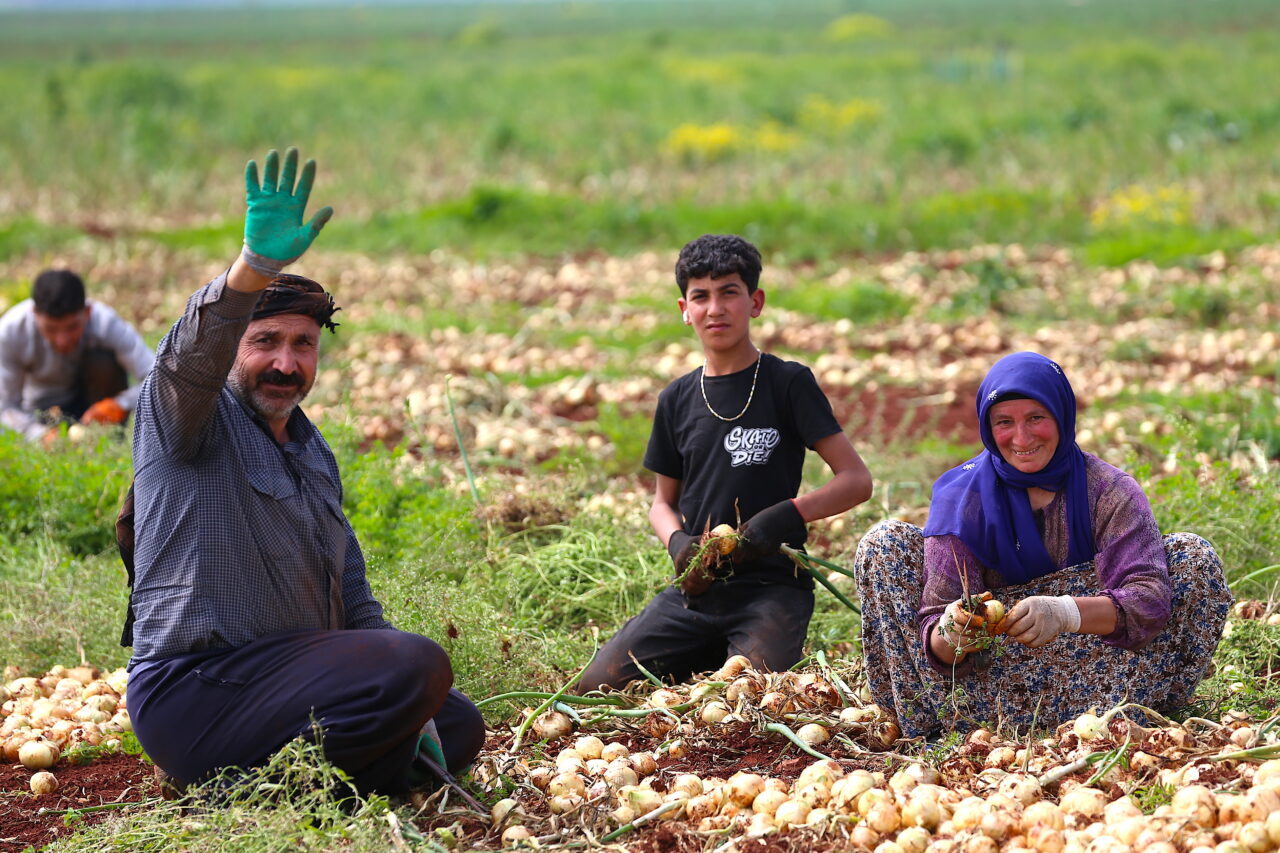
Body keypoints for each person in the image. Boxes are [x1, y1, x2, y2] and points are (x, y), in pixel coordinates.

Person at [120, 148, 484, 796]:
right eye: (265, 342)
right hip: (197, 688)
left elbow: (355, 602)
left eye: (303, 345)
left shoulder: (313, 455)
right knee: (416, 670)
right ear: (234, 345)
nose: (285, 363)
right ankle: (241, 781)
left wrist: (408, 682)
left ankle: (276, 781)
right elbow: (188, 360)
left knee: (456, 720)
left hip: (285, 683)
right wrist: (251, 271)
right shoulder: (187, 417)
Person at [853, 351, 1231, 737]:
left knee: (1192, 556)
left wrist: (1065, 612)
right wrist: (953, 631)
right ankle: (944, 725)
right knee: (884, 544)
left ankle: (1133, 714)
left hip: (1106, 678)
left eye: (1036, 418)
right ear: (987, 427)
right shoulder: (963, 497)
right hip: (985, 691)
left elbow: (1148, 600)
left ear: (1062, 416)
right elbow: (938, 642)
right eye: (1004, 422)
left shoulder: (1110, 491)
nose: (1021, 438)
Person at [577, 234, 873, 691]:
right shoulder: (676, 399)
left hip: (772, 591)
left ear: (755, 302)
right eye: (701, 296)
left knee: (747, 700)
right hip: (696, 594)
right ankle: (708, 647)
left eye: (729, 293)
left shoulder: (787, 383)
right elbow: (661, 502)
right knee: (596, 686)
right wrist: (678, 544)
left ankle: (732, 651)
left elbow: (856, 480)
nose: (715, 308)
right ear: (685, 309)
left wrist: (785, 516)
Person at [0, 269, 155, 444]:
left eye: (72, 327)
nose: (62, 340)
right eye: (51, 329)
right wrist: (38, 434)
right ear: (34, 314)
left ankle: (111, 438)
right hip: (39, 411)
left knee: (102, 362)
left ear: (87, 312)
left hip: (93, 408)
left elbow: (157, 376)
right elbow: (5, 406)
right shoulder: (11, 331)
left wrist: (120, 404)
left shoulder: (105, 322)